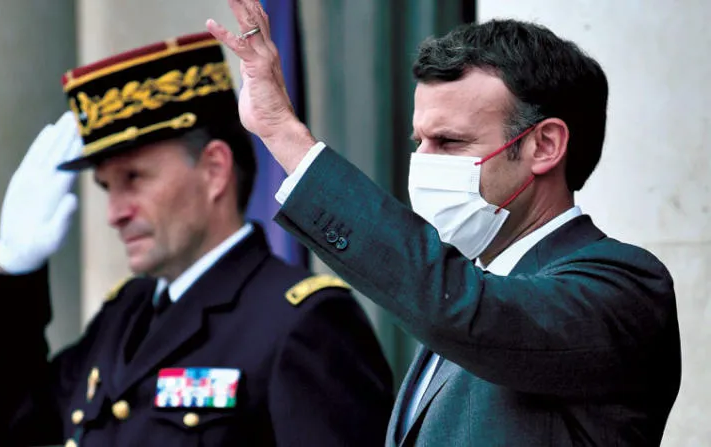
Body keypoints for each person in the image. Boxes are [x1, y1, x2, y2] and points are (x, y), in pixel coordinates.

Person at [206, 2, 682, 446]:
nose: (425, 164)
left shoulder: (625, 289)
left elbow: (460, 307)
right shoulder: (467, 287)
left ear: (544, 146)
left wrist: (285, 135)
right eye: (421, 143)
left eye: (450, 142)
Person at [0, 31, 394, 447]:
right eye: (106, 188)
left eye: (134, 178)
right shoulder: (129, 313)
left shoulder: (303, 322)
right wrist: (10, 266)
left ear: (214, 170)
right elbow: (1, 415)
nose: (114, 214)